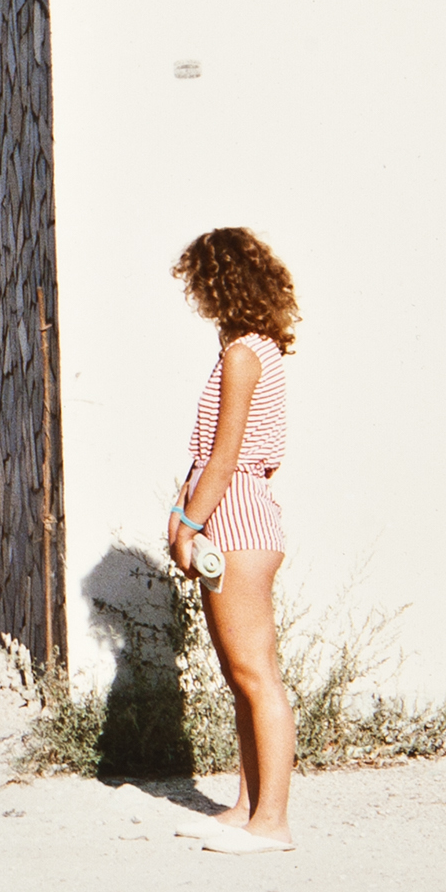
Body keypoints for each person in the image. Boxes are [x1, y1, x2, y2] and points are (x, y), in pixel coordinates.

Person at [166, 228, 300, 854]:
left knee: (255, 674)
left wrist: (188, 523)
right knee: (241, 673)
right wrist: (183, 513)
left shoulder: (245, 354)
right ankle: (247, 806)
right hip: (236, 512)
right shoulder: (257, 348)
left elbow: (223, 461)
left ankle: (271, 823)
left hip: (237, 515)